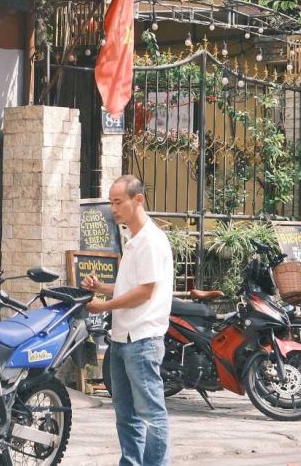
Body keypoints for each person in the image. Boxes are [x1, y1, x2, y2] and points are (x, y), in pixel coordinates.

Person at [81, 174, 172, 466]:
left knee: (152, 415)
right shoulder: (132, 239)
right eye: (111, 202)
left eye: (118, 202)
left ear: (138, 200)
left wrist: (103, 305)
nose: (114, 209)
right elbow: (129, 286)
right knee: (125, 415)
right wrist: (101, 288)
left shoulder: (151, 241)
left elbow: (144, 292)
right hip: (122, 339)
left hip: (142, 340)